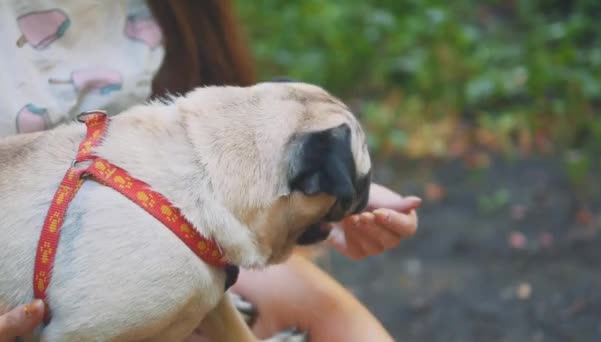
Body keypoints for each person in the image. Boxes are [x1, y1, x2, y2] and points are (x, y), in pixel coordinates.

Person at [0, 1, 420, 341]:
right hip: (74, 273)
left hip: (162, 241)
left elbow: (234, 159)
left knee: (340, 323)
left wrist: (339, 208)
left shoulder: (174, 12)